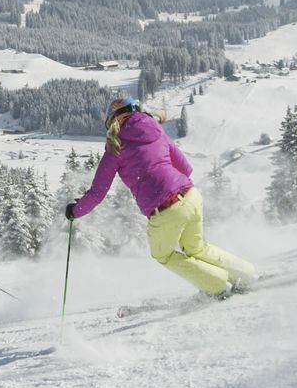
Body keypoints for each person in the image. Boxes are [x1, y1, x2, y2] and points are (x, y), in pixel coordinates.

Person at [67, 98, 257, 297]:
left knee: (163, 254)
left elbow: (98, 192)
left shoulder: (116, 147)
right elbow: (185, 168)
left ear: (113, 119)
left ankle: (216, 286)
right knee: (197, 248)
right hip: (191, 196)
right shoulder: (158, 133)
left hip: (166, 209)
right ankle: (246, 274)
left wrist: (74, 211)